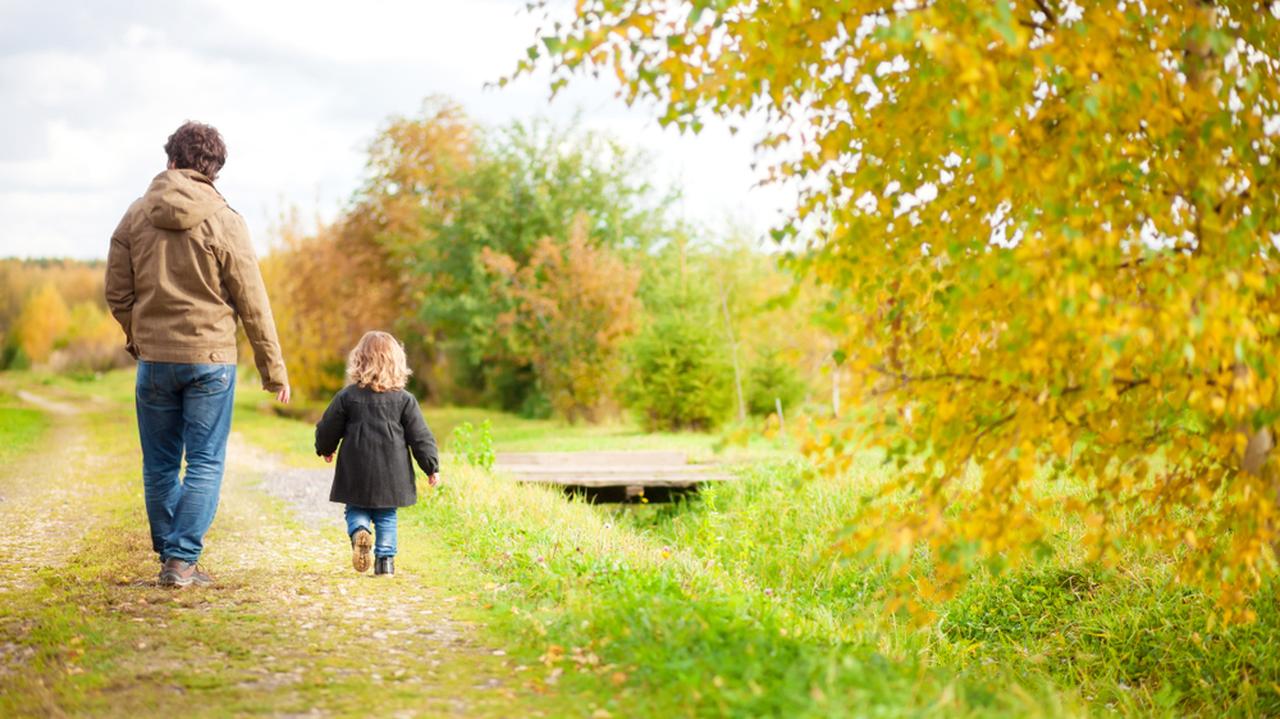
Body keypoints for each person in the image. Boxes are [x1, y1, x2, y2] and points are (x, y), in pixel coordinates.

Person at [105, 121, 290, 587]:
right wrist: (274, 370)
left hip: (156, 361)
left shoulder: (134, 216)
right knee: (205, 461)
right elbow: (253, 302)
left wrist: (139, 337)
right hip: (211, 360)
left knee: (160, 464)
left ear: (170, 160)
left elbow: (117, 293)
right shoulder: (226, 219)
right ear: (213, 172)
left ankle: (174, 558)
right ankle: (182, 560)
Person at [315, 331, 440, 576]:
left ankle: (360, 530)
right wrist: (431, 466)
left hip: (356, 469)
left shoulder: (347, 397)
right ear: (397, 363)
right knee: (386, 515)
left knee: (355, 508)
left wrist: (326, 448)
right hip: (392, 473)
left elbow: (328, 426)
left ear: (359, 361)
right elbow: (420, 437)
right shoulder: (405, 401)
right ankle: (385, 563)